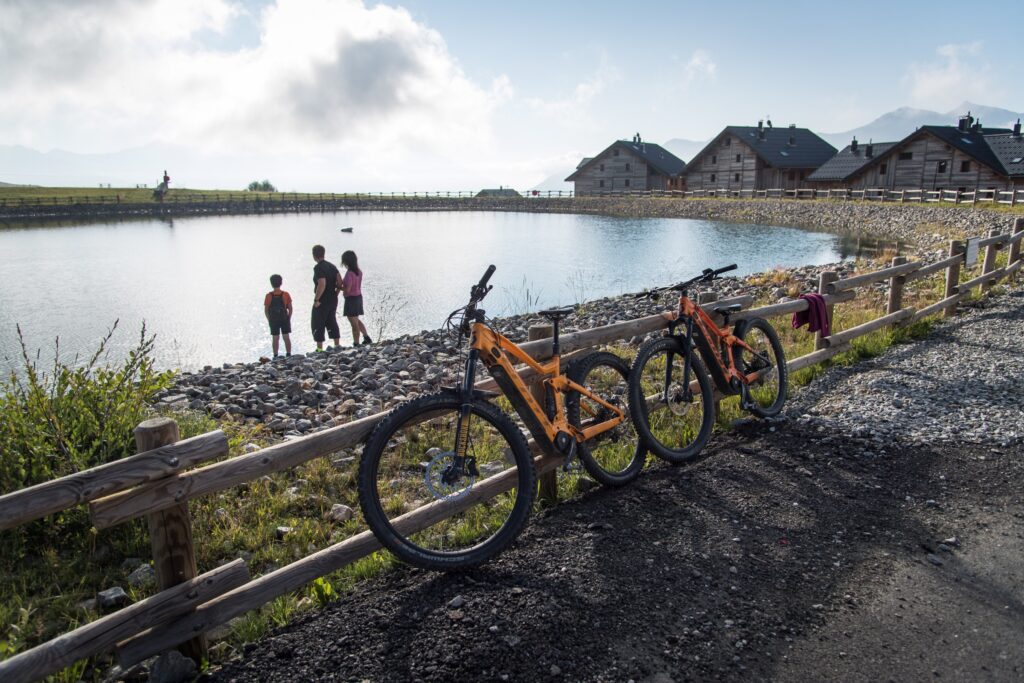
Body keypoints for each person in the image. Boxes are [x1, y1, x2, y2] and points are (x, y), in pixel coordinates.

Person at [311, 244, 342, 350]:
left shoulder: (318, 267)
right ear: (323, 254)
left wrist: (317, 299)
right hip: (333, 299)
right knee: (332, 320)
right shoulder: (332, 266)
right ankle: (337, 345)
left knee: (318, 322)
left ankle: (319, 349)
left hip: (322, 300)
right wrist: (336, 293)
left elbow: (322, 283)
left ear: (314, 255)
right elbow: (340, 282)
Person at [340, 250, 372, 346]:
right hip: (358, 297)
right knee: (356, 320)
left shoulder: (349, 273)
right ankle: (366, 337)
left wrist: (338, 287)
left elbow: (348, 290)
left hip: (351, 299)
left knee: (353, 324)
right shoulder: (359, 272)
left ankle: (356, 343)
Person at [264, 274, 293, 358]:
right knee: (286, 337)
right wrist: (289, 318)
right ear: (281, 283)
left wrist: (269, 320)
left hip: (273, 320)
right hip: (284, 319)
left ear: (271, 283)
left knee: (275, 338)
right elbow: (290, 308)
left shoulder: (268, 296)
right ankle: (288, 354)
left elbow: (266, 310)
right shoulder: (286, 294)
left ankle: (275, 355)